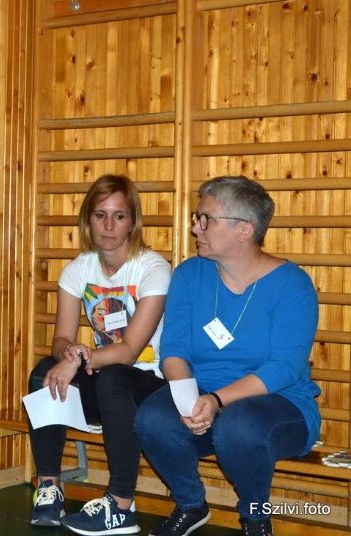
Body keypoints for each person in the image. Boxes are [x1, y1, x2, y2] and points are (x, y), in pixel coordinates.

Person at [135, 176, 320, 536]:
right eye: (197, 217)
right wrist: (187, 399)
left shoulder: (292, 284)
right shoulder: (190, 274)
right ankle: (190, 504)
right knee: (153, 418)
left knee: (238, 425)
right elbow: (174, 351)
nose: (195, 227)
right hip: (206, 398)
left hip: (278, 404)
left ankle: (255, 518)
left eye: (206, 219)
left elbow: (285, 367)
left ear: (244, 230)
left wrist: (218, 400)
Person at [26, 175, 172, 534]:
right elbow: (61, 339)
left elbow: (130, 351)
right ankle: (49, 487)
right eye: (100, 215)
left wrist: (79, 359)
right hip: (105, 380)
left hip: (150, 386)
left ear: (132, 222)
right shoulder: (78, 269)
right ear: (87, 220)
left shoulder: (153, 269)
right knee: (43, 372)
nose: (109, 225)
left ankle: (122, 504)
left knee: (114, 376)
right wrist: (67, 354)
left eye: (119, 216)